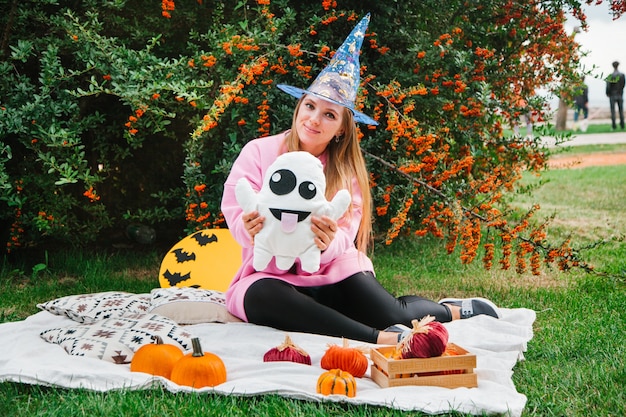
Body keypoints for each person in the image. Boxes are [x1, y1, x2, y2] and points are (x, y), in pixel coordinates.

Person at [221, 14, 501, 346]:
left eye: (329, 114)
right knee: (262, 298)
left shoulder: (345, 171)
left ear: (341, 128)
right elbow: (236, 208)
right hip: (271, 273)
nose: (314, 119)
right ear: (299, 107)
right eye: (309, 106)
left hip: (332, 270)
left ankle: (449, 310)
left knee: (395, 315)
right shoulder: (259, 151)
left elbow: (345, 235)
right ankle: (376, 338)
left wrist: (324, 244)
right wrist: (248, 228)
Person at [605, 61, 625, 130]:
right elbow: (623, 85)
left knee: (612, 111)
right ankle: (622, 125)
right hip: (620, 95)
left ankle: (614, 126)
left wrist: (607, 93)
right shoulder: (622, 75)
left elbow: (608, 86)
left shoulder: (610, 76)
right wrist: (620, 92)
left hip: (612, 95)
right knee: (621, 110)